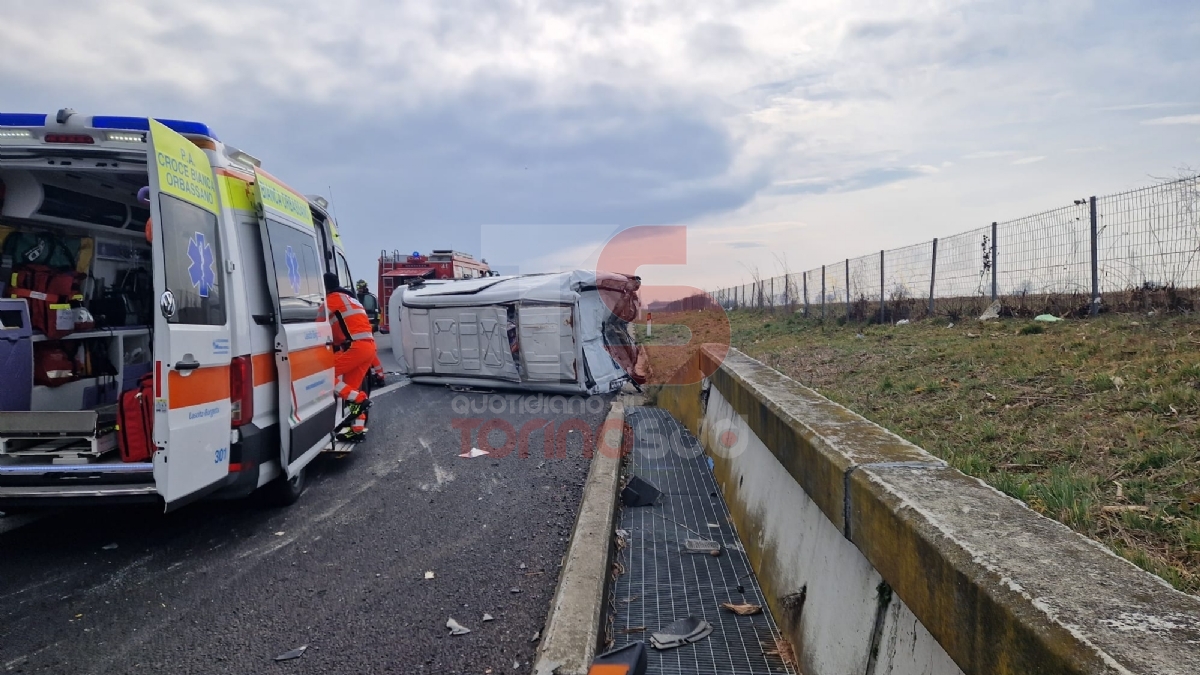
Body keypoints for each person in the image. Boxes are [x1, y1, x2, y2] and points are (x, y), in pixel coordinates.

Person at [324, 272, 377, 441]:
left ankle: (361, 399)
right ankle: (357, 430)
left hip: (354, 346)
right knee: (350, 388)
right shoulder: (352, 299)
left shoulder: (332, 298)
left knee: (324, 376)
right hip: (368, 346)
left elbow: (314, 319)